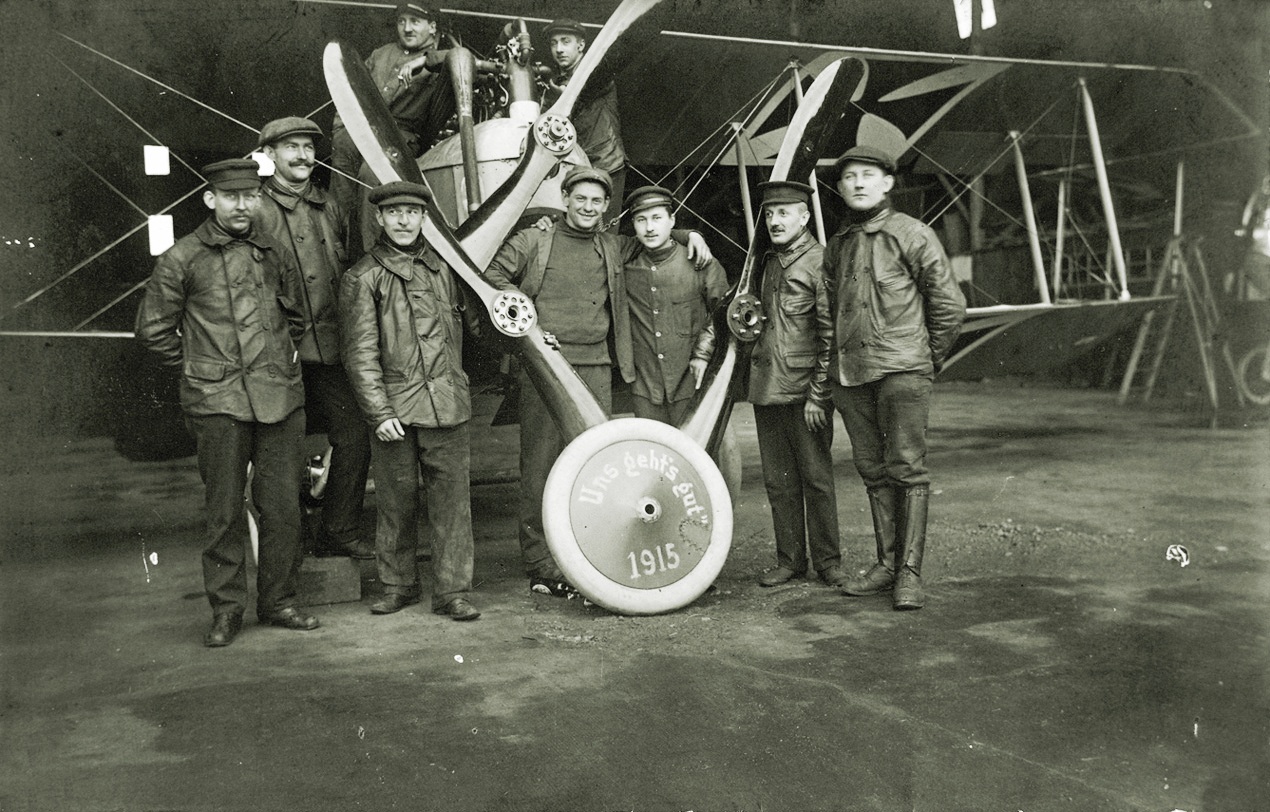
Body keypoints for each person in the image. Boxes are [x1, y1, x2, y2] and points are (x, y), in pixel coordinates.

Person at [484, 166, 711, 597]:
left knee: (595, 467)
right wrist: (530, 325)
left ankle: (588, 552)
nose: (587, 207)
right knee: (540, 464)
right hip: (544, 365)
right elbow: (491, 276)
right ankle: (540, 561)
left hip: (597, 366)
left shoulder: (610, 244)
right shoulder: (535, 239)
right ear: (565, 199)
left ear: (606, 206)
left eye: (596, 201)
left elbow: (653, 234)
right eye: (580, 198)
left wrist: (690, 234)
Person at [135, 158, 319, 646]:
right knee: (224, 513)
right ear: (210, 199)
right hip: (218, 403)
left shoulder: (274, 252)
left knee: (283, 509)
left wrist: (277, 360)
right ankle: (226, 611)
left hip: (279, 398)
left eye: (250, 196)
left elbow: (296, 318)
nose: (242, 206)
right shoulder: (183, 258)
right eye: (232, 196)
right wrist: (201, 368)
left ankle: (279, 601)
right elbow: (153, 330)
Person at [825, 145, 966, 611]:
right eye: (849, 177)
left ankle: (908, 573)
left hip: (902, 372)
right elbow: (830, 312)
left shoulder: (913, 234)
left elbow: (949, 307)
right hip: (852, 377)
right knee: (872, 470)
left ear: (887, 183)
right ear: (840, 187)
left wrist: (923, 361)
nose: (858, 183)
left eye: (868, 175)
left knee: (907, 468)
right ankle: (886, 565)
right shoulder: (839, 245)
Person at [339, 180, 481, 621]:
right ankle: (398, 585)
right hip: (395, 412)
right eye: (395, 212)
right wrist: (378, 412)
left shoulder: (447, 269)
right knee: (396, 503)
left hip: (448, 405)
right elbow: (360, 354)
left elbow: (477, 324)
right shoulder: (363, 277)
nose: (404, 220)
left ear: (424, 218)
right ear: (379, 218)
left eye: (413, 212)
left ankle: (452, 591)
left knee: (453, 506)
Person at [255, 116, 373, 561]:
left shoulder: (330, 206)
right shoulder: (257, 210)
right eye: (292, 147)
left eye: (307, 147)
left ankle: (338, 531)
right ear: (269, 155)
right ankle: (287, 544)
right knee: (280, 450)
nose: (303, 156)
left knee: (354, 436)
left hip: (331, 348)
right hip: (281, 353)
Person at [748, 181, 843, 588]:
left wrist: (818, 396)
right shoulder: (769, 262)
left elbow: (830, 336)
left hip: (805, 393)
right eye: (769, 214)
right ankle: (790, 560)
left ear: (804, 217)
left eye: (784, 213)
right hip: (768, 388)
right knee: (779, 482)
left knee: (817, 480)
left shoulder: (820, 263)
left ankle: (829, 562)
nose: (774, 221)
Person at [328, 3, 456, 250]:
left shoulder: (441, 61)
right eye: (401, 21)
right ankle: (337, 246)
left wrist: (425, 61)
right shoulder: (380, 54)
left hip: (400, 137)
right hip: (362, 128)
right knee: (342, 164)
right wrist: (340, 128)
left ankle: (371, 255)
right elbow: (350, 89)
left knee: (370, 175)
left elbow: (466, 59)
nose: (407, 28)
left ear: (432, 27)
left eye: (415, 21)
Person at [621, 185, 728, 425]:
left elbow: (724, 314)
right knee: (651, 447)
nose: (649, 228)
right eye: (641, 220)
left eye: (657, 218)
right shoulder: (625, 265)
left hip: (693, 381)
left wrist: (703, 355)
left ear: (672, 221)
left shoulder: (702, 262)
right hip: (645, 388)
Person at [540, 18, 627, 229]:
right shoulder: (557, 82)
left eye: (565, 41)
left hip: (605, 163)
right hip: (577, 166)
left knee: (603, 233)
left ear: (580, 45)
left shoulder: (596, 73)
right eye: (554, 43)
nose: (559, 49)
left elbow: (585, 88)